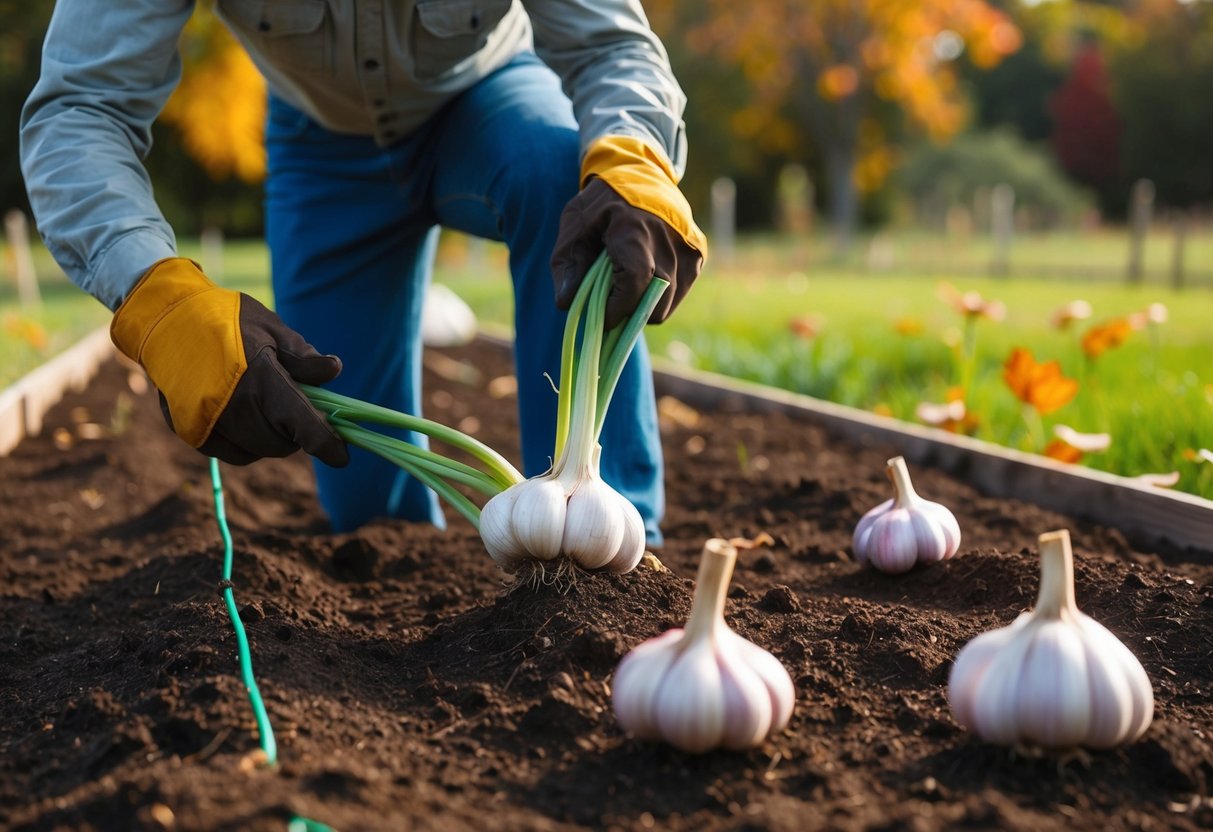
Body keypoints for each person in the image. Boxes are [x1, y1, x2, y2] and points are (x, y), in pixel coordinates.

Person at [20, 0, 706, 544]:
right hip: (323, 146)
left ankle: (615, 548)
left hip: (491, 99)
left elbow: (610, 45)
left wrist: (636, 159)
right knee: (370, 515)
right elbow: (81, 109)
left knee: (565, 182)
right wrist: (161, 297)